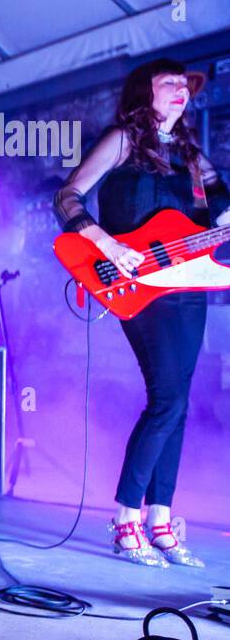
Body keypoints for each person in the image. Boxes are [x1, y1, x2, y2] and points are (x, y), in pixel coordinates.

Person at [54, 58, 227, 568]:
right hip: (137, 282)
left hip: (188, 286)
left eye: (185, 85)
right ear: (144, 92)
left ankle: (161, 522)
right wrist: (107, 244)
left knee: (180, 404)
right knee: (167, 400)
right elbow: (67, 196)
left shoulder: (194, 157)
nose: (181, 91)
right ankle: (125, 517)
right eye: (169, 83)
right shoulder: (123, 140)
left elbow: (218, 203)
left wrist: (224, 212)